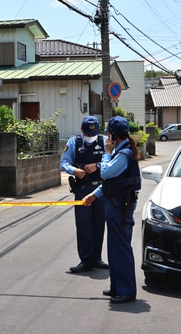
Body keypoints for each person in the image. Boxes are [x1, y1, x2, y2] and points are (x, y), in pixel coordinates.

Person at [82, 115, 141, 304]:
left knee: (121, 248)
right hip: (115, 203)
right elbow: (111, 182)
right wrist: (94, 195)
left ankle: (126, 291)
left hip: (120, 206)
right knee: (114, 248)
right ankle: (117, 287)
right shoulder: (120, 151)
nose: (107, 138)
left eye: (109, 134)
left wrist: (106, 153)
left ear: (114, 135)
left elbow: (106, 173)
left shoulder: (122, 154)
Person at [60, 115, 109, 273]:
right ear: (82, 130)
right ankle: (85, 260)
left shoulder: (104, 141)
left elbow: (111, 161)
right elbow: (64, 162)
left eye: (93, 135)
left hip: (100, 190)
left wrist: (97, 166)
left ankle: (96, 258)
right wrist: (74, 170)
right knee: (83, 225)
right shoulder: (74, 142)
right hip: (82, 189)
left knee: (99, 224)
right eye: (88, 134)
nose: (90, 138)